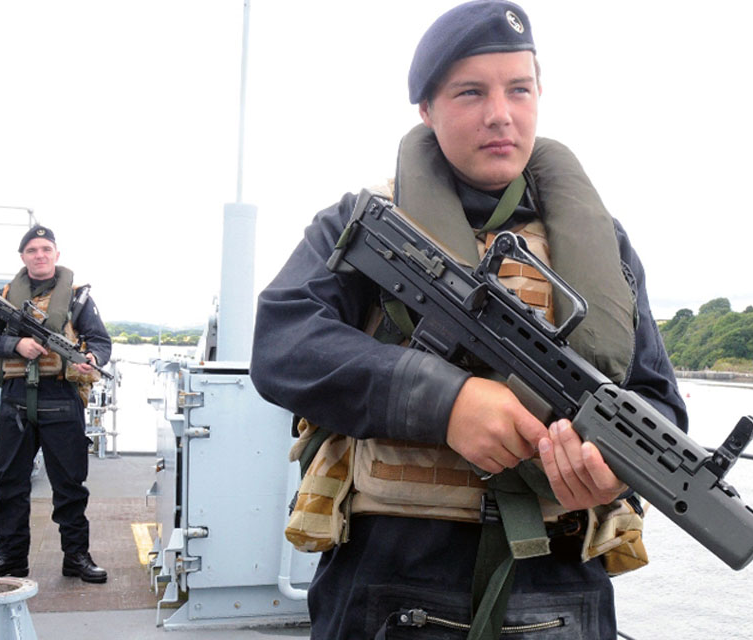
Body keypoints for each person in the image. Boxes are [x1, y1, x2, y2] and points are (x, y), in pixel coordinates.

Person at [250, 1, 687, 637]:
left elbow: (659, 402)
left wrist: (614, 470)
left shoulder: (602, 243)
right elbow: (285, 341)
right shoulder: (364, 223)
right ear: (427, 109)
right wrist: (445, 401)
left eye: (519, 89)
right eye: (470, 92)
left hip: (557, 587)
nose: (500, 114)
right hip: (390, 575)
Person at [0, 224, 111, 584]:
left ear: (56, 255)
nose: (40, 255)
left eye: (46, 249)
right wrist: (14, 346)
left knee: (70, 485)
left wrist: (91, 358)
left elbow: (100, 342)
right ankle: (11, 559)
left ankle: (76, 556)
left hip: (61, 398)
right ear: (23, 257)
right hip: (16, 400)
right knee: (11, 485)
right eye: (32, 250)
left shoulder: (77, 298)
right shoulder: (3, 296)